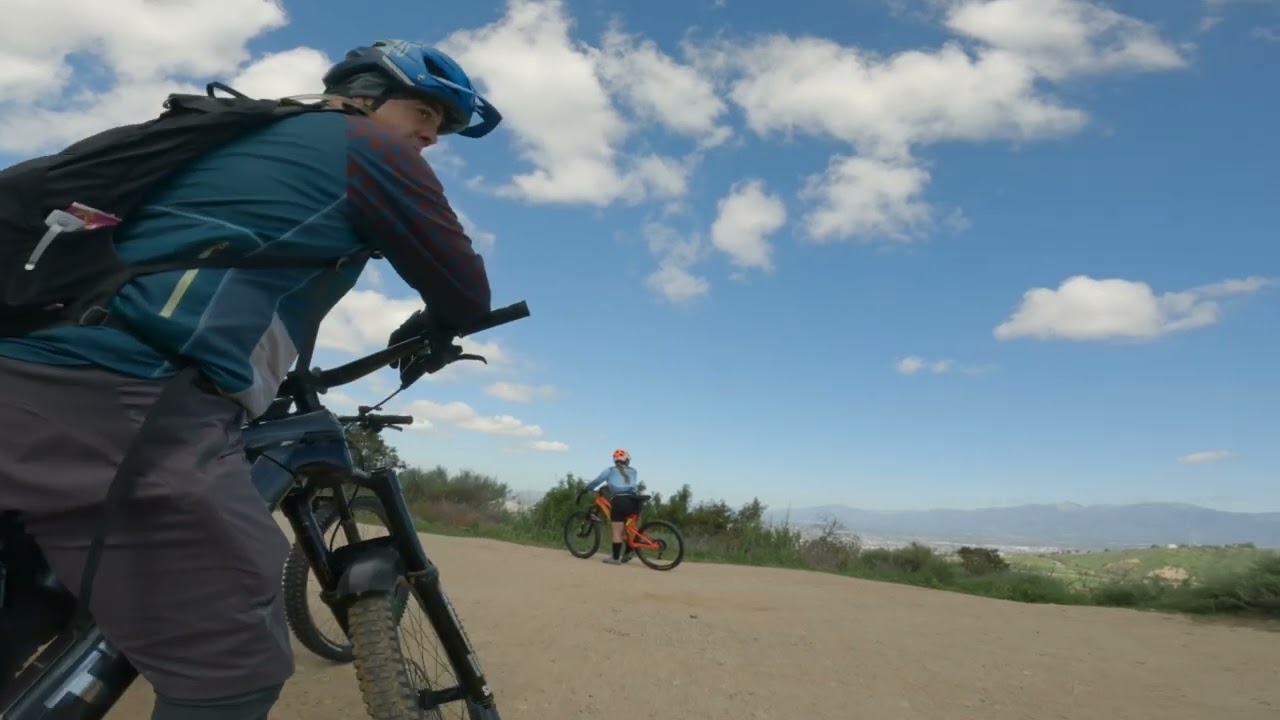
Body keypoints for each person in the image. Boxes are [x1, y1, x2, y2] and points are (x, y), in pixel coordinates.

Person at [0, 39, 499, 720]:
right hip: (126, 392)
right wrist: (435, 323)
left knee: (40, 586)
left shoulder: (253, 137)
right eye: (423, 109)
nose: (430, 133)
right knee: (233, 662)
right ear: (364, 95)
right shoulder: (369, 150)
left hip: (31, 365)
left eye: (441, 126)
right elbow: (467, 291)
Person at [586, 449, 642, 565]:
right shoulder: (634, 471)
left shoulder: (609, 470)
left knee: (617, 531)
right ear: (627, 460)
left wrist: (586, 489)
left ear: (615, 460)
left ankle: (615, 558)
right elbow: (624, 482)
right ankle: (629, 550)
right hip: (635, 501)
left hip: (620, 500)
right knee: (629, 527)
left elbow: (598, 481)